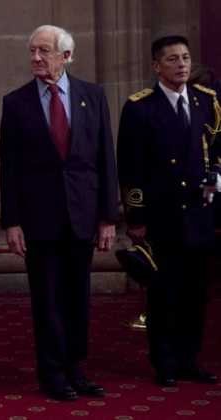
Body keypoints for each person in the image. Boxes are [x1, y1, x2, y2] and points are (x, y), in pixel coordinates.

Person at [0, 25, 119, 402]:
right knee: (46, 297)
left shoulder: (92, 95)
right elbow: (10, 168)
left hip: (83, 213)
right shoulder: (15, 102)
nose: (36, 58)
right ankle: (51, 372)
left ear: (66, 56)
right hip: (39, 217)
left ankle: (75, 367)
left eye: (44, 51)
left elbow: (105, 159)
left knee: (76, 295)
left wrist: (108, 217)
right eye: (32, 51)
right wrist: (12, 221)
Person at [117, 35, 220, 388]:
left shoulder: (207, 101)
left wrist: (216, 178)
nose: (182, 64)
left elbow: (216, 149)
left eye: (186, 58)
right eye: (173, 59)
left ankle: (189, 358)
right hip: (162, 217)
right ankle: (165, 362)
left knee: (196, 294)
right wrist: (136, 218)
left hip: (199, 213)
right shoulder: (140, 107)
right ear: (156, 66)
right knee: (165, 294)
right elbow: (129, 167)